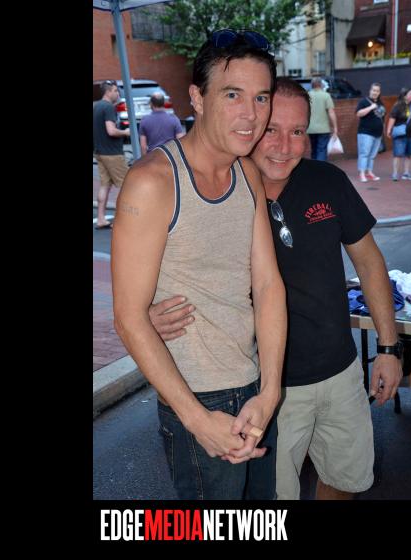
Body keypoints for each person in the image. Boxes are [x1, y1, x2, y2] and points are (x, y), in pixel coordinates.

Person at [150, 78, 403, 500]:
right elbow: (162, 273)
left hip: (340, 374)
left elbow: (370, 262)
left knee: (344, 481)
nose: (285, 146)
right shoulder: (218, 194)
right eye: (272, 130)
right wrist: (149, 313)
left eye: (298, 131)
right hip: (263, 389)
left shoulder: (327, 181)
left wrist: (389, 349)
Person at [111, 30, 287, 500]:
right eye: (232, 95)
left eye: (261, 97)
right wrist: (197, 420)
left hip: (253, 383)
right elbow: (128, 317)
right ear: (197, 98)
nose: (251, 114)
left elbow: (267, 284)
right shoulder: (153, 182)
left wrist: (270, 391)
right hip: (197, 398)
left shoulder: (247, 172)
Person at [93, 80, 131, 229]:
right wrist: (125, 132)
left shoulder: (96, 106)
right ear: (108, 92)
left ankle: (101, 219)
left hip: (100, 152)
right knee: (126, 185)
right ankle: (121, 221)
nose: (117, 93)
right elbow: (111, 131)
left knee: (105, 185)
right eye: (115, 90)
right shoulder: (108, 107)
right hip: (113, 153)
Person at [386, 87, 411, 183]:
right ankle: (395, 173)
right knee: (398, 154)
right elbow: (392, 118)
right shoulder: (398, 106)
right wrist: (389, 130)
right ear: (405, 96)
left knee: (408, 154)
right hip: (400, 134)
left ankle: (406, 173)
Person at [355, 82, 385, 182]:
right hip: (366, 133)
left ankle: (369, 172)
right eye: (373, 90)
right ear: (370, 90)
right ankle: (362, 174)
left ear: (379, 92)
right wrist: (371, 107)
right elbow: (358, 113)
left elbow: (382, 118)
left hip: (378, 134)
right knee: (364, 153)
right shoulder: (363, 101)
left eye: (377, 91)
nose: (375, 92)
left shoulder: (380, 103)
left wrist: (383, 130)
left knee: (372, 155)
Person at [306, 77, 338, 161]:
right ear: (320, 84)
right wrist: (335, 127)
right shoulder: (326, 95)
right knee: (322, 150)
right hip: (324, 128)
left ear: (312, 85)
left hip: (311, 128)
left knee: (314, 149)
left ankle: (314, 166)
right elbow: (331, 112)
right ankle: (320, 167)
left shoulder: (307, 95)